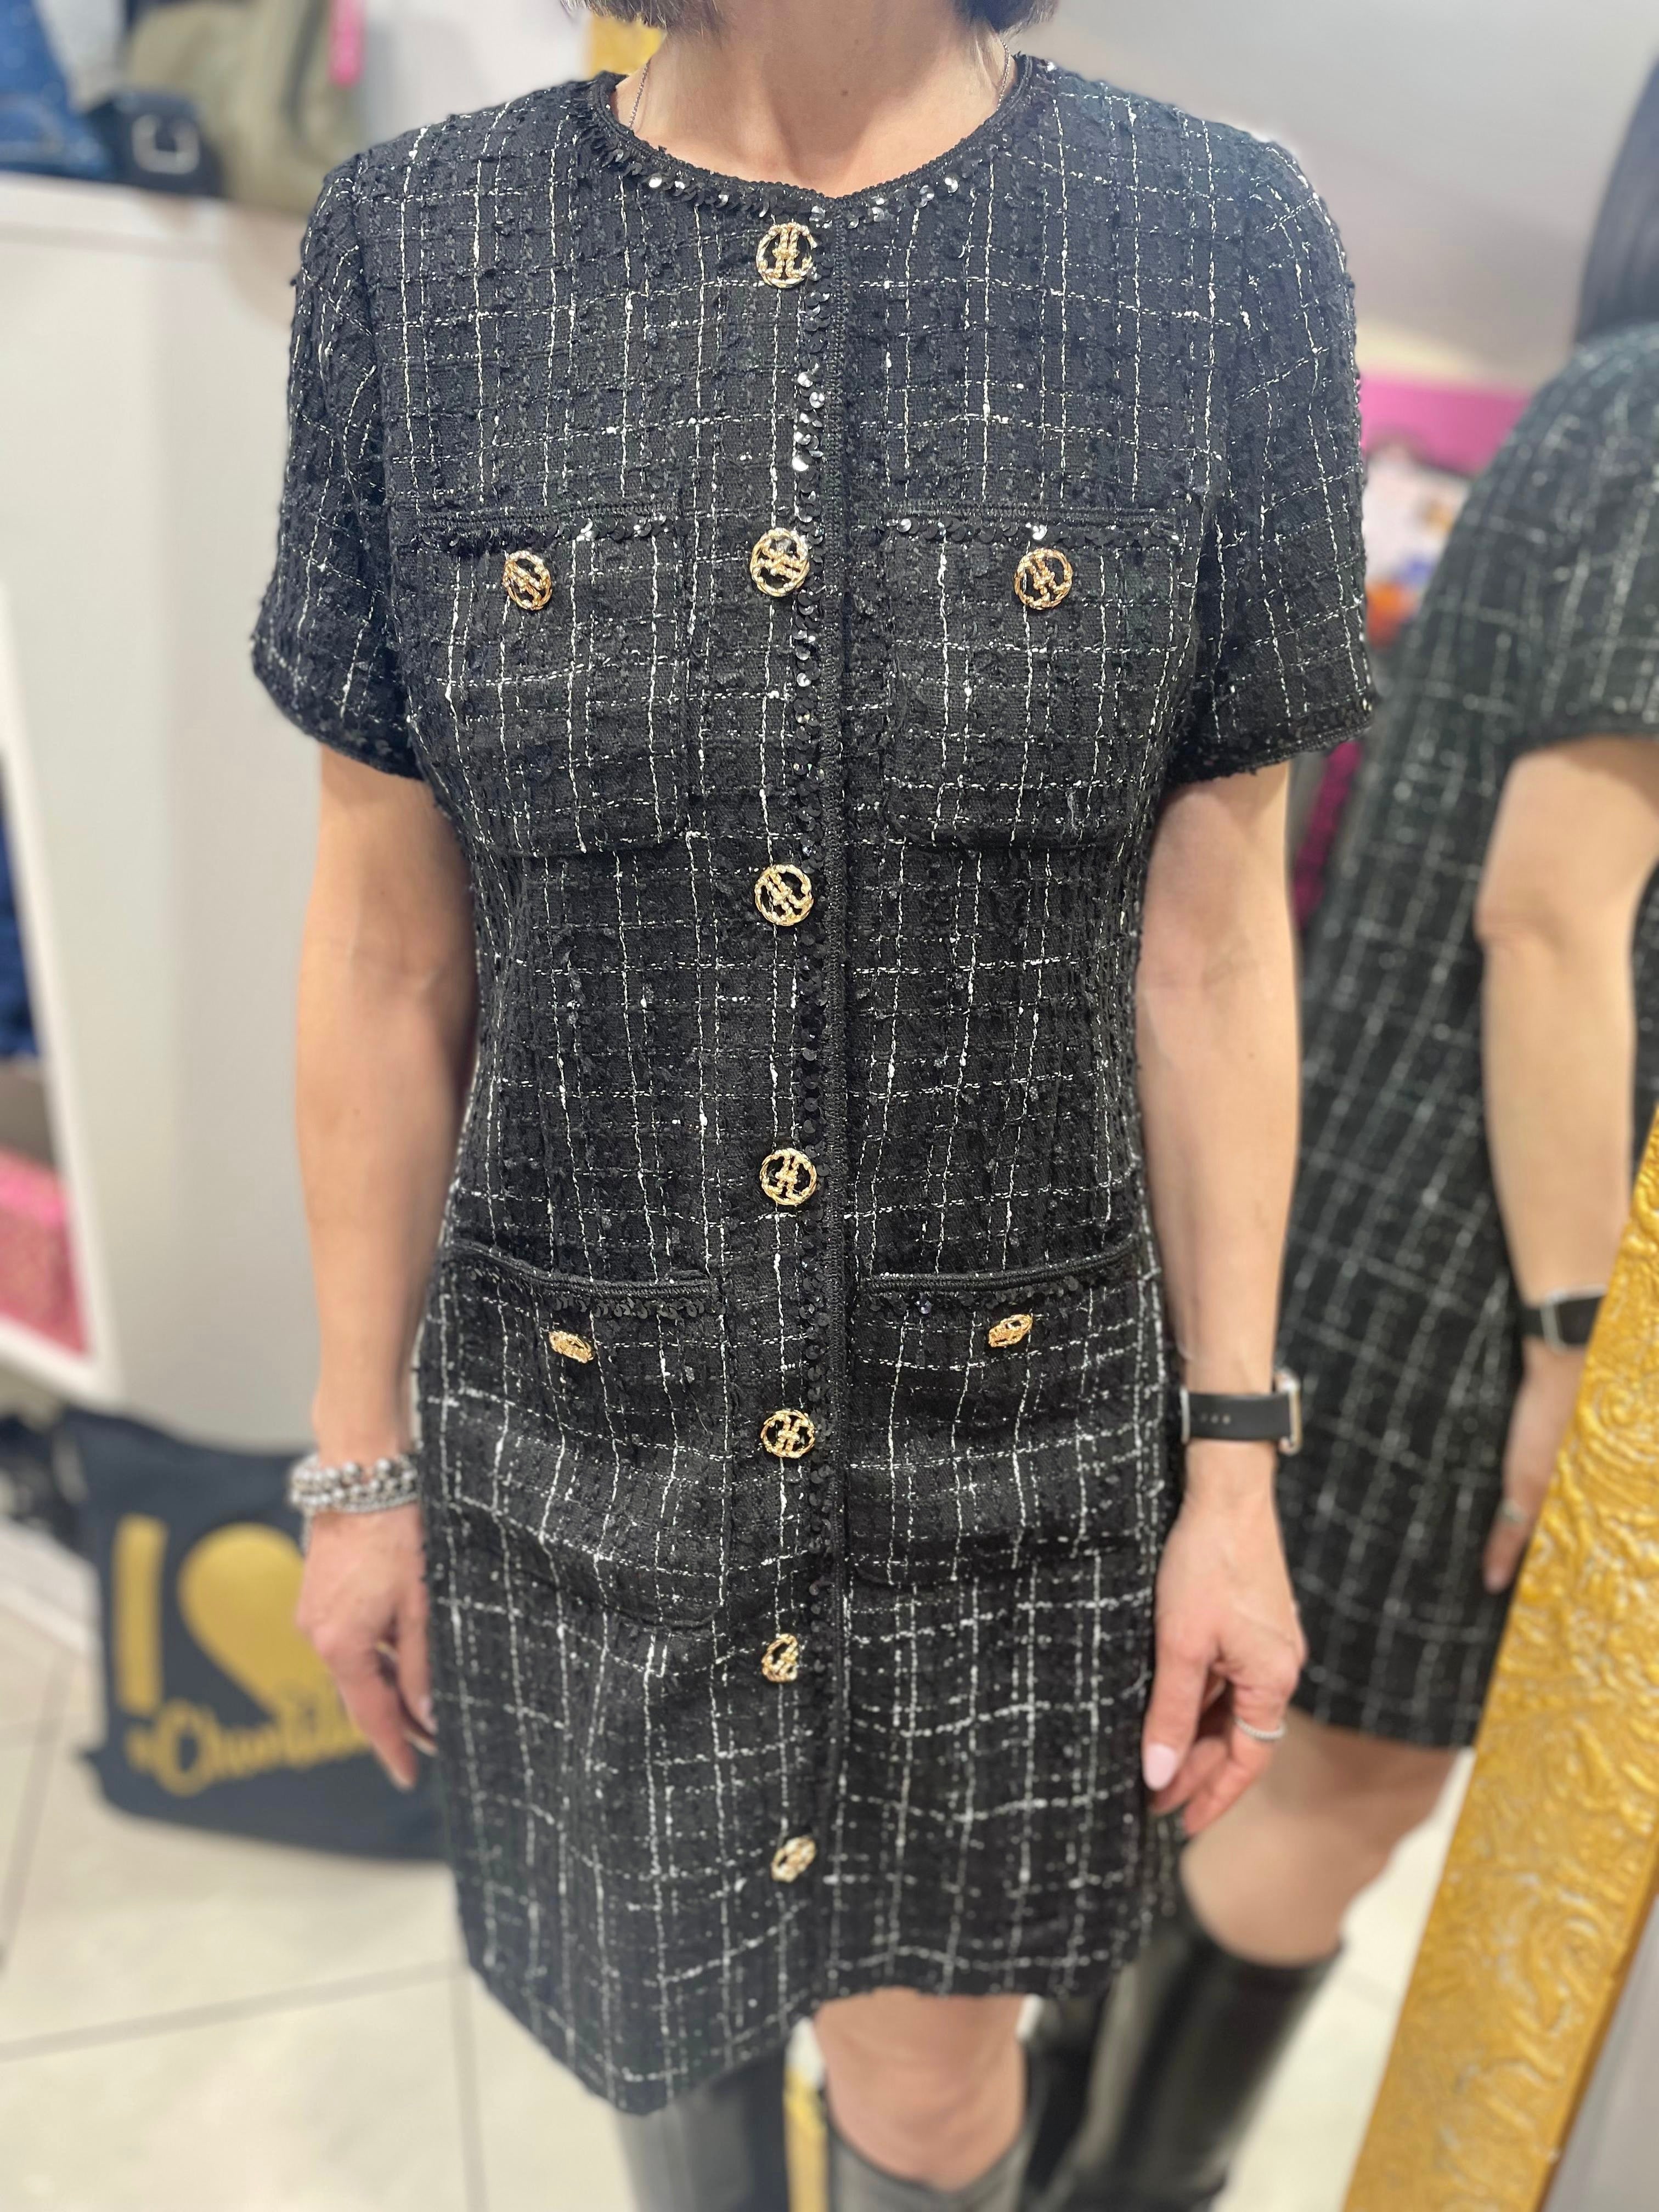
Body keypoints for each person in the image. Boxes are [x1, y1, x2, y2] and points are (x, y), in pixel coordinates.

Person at [251, 3, 1371, 2205]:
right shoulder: (415, 248)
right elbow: (386, 947)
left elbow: (1215, 946)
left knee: (932, 2093)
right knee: (651, 2033)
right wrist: (357, 1460)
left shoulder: (1220, 244)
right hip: (583, 1425)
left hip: (1011, 1442)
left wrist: (1234, 1468)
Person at [1030, 63, 1659, 2212]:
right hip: (1470, 1265)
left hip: (1417, 1209)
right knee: (1342, 1788)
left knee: (1253, 1771)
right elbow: (1554, 918)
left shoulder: (1603, 407)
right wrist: (1572, 1340)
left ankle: (1068, 2162)